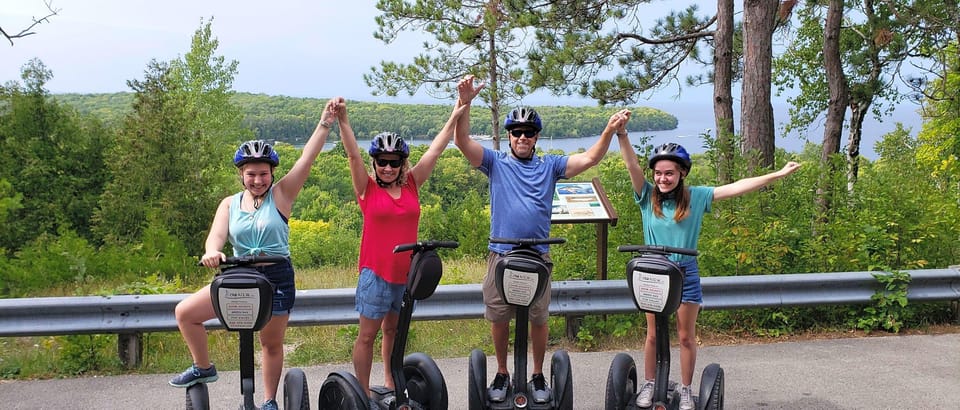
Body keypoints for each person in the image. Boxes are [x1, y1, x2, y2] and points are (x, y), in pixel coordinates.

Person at [453, 74, 631, 404]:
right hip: (500, 253)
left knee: (538, 317)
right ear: (509, 136)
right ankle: (503, 372)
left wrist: (608, 130)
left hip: (537, 256)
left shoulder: (549, 166)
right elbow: (462, 142)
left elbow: (590, 159)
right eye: (517, 132)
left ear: (536, 137)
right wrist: (464, 104)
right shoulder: (495, 162)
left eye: (529, 132)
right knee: (498, 316)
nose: (522, 137)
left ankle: (536, 373)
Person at [169, 98, 339, 410]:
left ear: (272, 173)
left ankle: (269, 401)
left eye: (263, 173)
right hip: (237, 276)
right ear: (241, 175)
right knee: (185, 313)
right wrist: (212, 253)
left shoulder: (282, 195)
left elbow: (308, 158)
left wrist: (326, 121)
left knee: (269, 343)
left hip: (275, 277)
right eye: (251, 174)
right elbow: (216, 237)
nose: (258, 180)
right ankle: (203, 367)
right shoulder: (229, 203)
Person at [617, 133, 801, 410]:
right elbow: (631, 164)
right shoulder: (646, 196)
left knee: (685, 336)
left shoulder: (696, 197)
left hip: (684, 272)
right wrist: (622, 134)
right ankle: (650, 383)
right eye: (658, 173)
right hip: (654, 271)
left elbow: (737, 187)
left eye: (669, 173)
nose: (663, 179)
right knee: (653, 334)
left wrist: (776, 175)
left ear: (681, 173)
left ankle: (687, 390)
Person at [332, 91, 471, 404]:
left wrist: (457, 110)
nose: (387, 168)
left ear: (402, 163)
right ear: (376, 163)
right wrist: (343, 120)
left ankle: (391, 383)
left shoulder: (411, 184)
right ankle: (363, 392)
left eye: (394, 162)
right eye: (382, 162)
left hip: (405, 276)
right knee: (367, 335)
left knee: (394, 333)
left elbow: (436, 149)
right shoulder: (366, 189)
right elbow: (353, 156)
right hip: (375, 274)